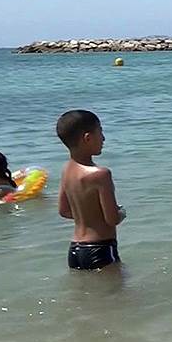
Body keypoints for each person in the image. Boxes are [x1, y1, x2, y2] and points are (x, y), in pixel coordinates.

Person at [56, 110, 126, 270]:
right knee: (117, 286)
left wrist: (89, 216)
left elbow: (64, 211)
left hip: (75, 250)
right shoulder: (101, 174)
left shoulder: (66, 170)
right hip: (100, 248)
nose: (104, 138)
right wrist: (121, 213)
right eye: (100, 132)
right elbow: (112, 219)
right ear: (87, 138)